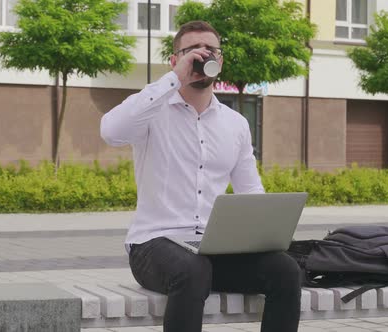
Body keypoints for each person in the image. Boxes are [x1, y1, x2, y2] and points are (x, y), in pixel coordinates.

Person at [100, 21, 301, 332]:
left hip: (212, 249)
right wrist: (174, 79)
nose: (202, 55)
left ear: (219, 62)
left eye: (210, 50)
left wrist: (263, 235)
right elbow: (111, 131)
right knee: (192, 270)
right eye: (192, 50)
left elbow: (251, 190)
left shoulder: (235, 124)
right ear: (174, 60)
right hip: (153, 245)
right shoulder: (152, 112)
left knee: (285, 270)